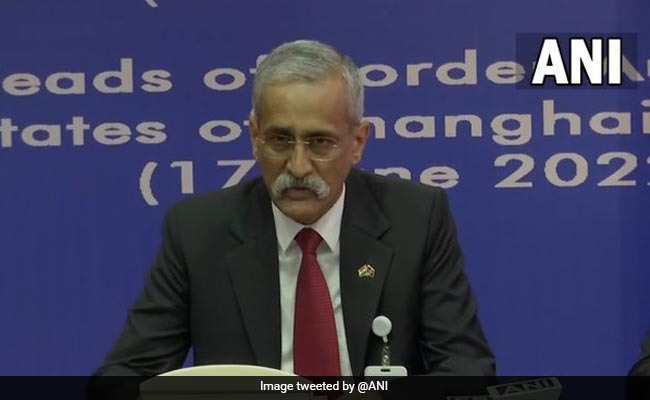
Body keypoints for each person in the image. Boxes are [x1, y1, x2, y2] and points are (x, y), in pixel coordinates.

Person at [94, 40, 496, 377]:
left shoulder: (416, 218)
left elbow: (466, 367)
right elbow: (125, 375)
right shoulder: (198, 231)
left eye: (320, 142)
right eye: (280, 140)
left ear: (357, 142)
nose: (299, 167)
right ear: (254, 138)